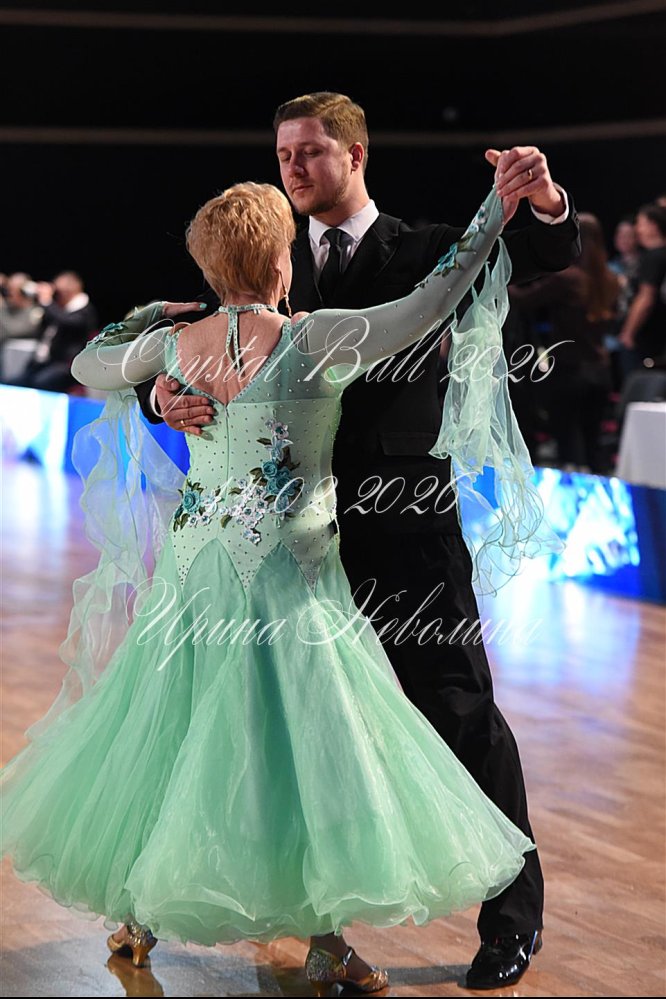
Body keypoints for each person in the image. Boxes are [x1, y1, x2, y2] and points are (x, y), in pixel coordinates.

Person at [0, 179, 544, 995]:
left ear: (211, 264)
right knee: (307, 751)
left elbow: (88, 360)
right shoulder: (315, 337)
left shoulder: (175, 344)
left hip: (194, 576)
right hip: (292, 580)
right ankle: (324, 940)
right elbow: (434, 299)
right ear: (281, 258)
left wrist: (152, 315)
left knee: (171, 729)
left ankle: (139, 917)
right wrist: (496, 207)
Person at [134, 93, 581, 989]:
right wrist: (162, 397)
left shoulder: (423, 248)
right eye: (283, 154)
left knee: (459, 711)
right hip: (288, 550)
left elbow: (536, 255)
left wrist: (541, 201)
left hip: (403, 526)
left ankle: (512, 919)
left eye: (309, 151)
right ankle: (309, 917)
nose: (292, 167)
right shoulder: (268, 254)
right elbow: (186, 347)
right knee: (289, 730)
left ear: (356, 154)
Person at [509, 212, 619, 473]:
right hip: (600, 370)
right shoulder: (612, 280)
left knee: (568, 446)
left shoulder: (568, 279)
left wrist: (500, 275)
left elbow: (524, 300)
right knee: (593, 446)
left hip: (569, 369)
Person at [10, 270, 97, 392]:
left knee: (40, 383)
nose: (57, 296)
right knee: (15, 383)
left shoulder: (85, 311)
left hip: (66, 365)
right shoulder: (58, 307)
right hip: (44, 361)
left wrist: (47, 301)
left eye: (59, 292)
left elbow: (65, 322)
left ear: (69, 292)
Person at [619, 202, 666, 368]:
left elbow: (646, 296)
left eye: (640, 223)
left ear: (653, 225)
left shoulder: (654, 258)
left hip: (647, 337)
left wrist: (628, 332)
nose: (636, 229)